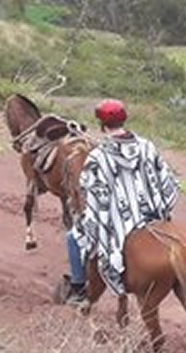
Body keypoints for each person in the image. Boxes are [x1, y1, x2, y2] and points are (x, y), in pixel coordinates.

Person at [73, 99, 179, 300]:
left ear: (101, 124)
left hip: (117, 220)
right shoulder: (146, 146)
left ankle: (79, 287)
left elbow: (90, 189)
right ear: (124, 120)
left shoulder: (98, 156)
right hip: (152, 214)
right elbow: (166, 178)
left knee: (74, 236)